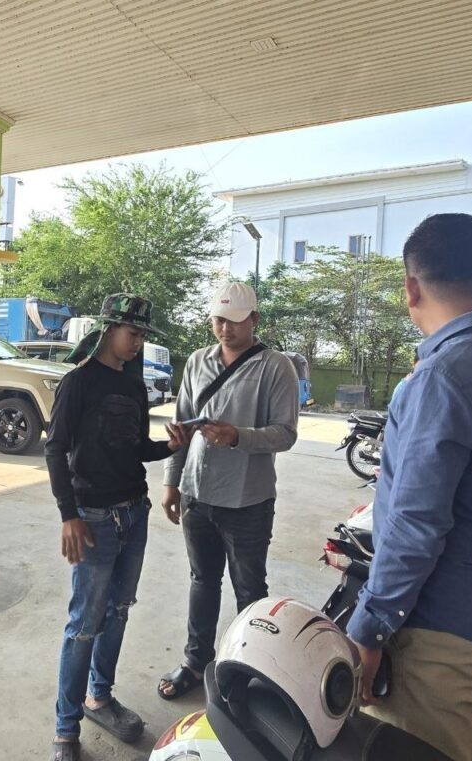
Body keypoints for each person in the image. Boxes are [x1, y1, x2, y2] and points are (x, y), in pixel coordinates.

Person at [346, 214, 472, 761]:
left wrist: (369, 628)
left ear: (411, 289)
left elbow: (415, 524)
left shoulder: (440, 377)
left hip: (439, 638)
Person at [45, 293, 190, 761]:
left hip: (134, 512)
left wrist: (170, 447)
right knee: (83, 624)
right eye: (133, 333)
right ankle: (65, 729)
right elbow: (54, 448)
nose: (138, 342)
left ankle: (99, 697)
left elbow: (136, 448)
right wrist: (68, 515)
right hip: (92, 519)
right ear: (107, 330)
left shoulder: (134, 387)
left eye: (143, 335)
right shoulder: (78, 382)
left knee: (119, 611)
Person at [158, 281, 299, 700]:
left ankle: (250, 669)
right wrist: (171, 482)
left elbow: (286, 433)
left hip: (247, 501)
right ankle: (195, 661)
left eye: (235, 321)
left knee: (250, 589)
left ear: (254, 319)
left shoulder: (275, 367)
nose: (225, 329)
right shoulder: (197, 361)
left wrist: (238, 436)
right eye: (218, 320)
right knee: (203, 581)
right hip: (197, 494)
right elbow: (181, 426)